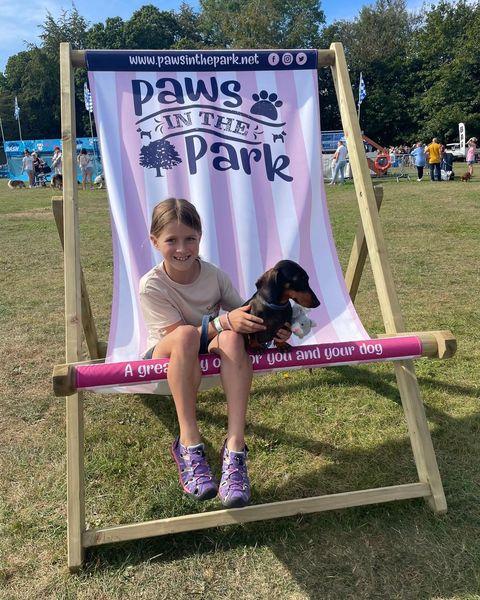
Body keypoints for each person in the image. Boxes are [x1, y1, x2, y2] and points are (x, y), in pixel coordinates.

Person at [139, 198, 291, 508]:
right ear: (155, 241)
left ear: (200, 237)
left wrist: (275, 329)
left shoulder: (214, 275)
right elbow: (183, 338)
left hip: (203, 357)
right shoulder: (151, 285)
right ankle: (189, 442)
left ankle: (235, 448)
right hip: (165, 364)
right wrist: (224, 321)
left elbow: (244, 315)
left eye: (190, 239)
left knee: (234, 339)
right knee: (184, 335)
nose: (182, 248)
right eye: (171, 240)